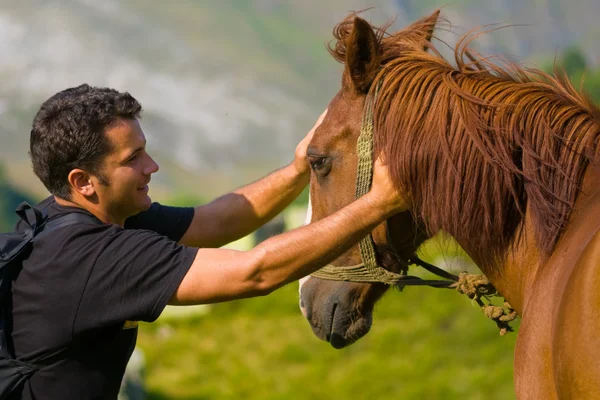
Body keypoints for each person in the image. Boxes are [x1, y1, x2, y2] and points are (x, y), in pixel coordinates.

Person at [9, 84, 403, 399]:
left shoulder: (80, 217)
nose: (152, 166)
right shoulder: (96, 257)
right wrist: (380, 203)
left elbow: (212, 222)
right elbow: (256, 272)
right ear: (83, 182)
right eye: (133, 159)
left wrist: (302, 166)